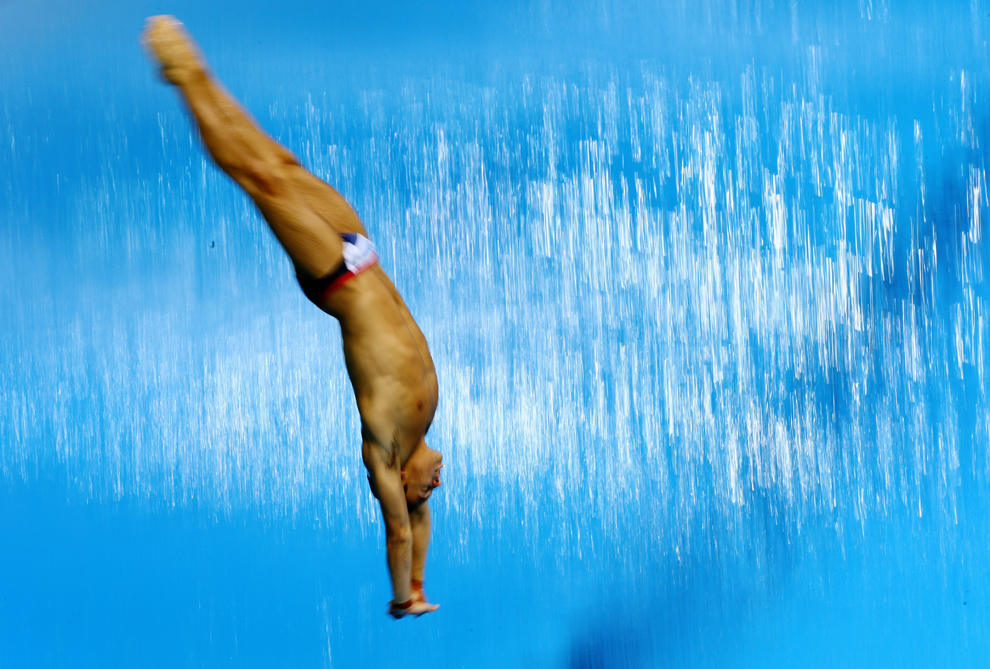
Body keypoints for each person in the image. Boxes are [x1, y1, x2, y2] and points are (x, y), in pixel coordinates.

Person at [141, 15, 443, 618]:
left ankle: (183, 78)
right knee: (282, 163)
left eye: (423, 493)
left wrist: (405, 595)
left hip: (337, 278)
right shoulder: (421, 434)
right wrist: (422, 580)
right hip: (365, 255)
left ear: (402, 491)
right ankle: (203, 76)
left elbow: (400, 532)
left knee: (260, 181)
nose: (437, 484)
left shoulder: (384, 454)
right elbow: (422, 531)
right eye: (429, 491)